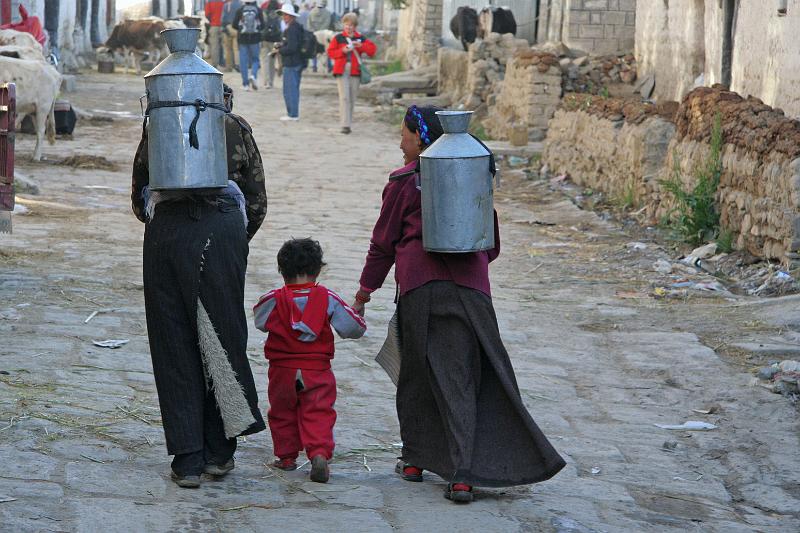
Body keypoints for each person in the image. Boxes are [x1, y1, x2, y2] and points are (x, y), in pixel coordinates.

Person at [352, 105, 566, 503]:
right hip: (471, 291)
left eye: (404, 134)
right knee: (468, 376)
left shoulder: (402, 183)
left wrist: (364, 292)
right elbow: (491, 242)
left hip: (419, 290)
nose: (400, 140)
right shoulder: (472, 177)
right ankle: (457, 468)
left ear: (421, 139)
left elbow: (383, 244)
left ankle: (428, 463)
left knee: (417, 373)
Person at [131, 84, 268, 488]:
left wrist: (169, 224)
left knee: (173, 341)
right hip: (223, 233)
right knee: (223, 337)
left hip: (167, 234)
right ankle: (219, 453)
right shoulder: (237, 127)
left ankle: (187, 460)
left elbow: (140, 197)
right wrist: (230, 238)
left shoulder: (157, 125)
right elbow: (257, 202)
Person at [253, 238, 366, 483]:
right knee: (318, 412)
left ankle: (286, 457)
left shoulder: (272, 298)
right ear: (318, 269)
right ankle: (319, 453)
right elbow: (353, 329)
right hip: (317, 370)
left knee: (282, 412)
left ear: (282, 270)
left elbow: (260, 321)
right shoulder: (328, 298)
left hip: (282, 370)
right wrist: (358, 313)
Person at [327, 12, 376, 134]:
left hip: (355, 71)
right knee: (344, 97)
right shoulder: (338, 38)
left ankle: (348, 122)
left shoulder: (360, 38)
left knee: (352, 98)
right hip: (341, 70)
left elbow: (372, 51)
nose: (349, 27)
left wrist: (361, 46)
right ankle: (345, 125)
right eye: (347, 25)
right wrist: (342, 50)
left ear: (355, 26)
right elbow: (330, 52)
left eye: (351, 25)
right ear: (343, 25)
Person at [275, 3, 304, 121]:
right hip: (297, 62)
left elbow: (292, 47)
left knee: (290, 90)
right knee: (293, 89)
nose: (284, 17)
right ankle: (293, 113)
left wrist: (280, 50)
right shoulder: (296, 27)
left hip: (292, 63)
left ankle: (292, 114)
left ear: (291, 16)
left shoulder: (291, 29)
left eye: (285, 15)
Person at [233, 0, 264, 91]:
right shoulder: (258, 10)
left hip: (242, 39)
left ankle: (245, 84)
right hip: (255, 39)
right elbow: (263, 25)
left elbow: (234, 25)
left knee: (243, 62)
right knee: (255, 59)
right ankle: (253, 75)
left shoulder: (240, 10)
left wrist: (241, 28)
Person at [259, 0, 283, 88]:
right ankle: (271, 82)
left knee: (265, 61)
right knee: (272, 62)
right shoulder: (280, 14)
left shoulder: (264, 12)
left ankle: (266, 81)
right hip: (275, 40)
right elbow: (282, 27)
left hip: (264, 39)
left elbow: (261, 25)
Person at [307, 0, 332, 73]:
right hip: (324, 35)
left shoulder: (311, 12)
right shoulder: (327, 13)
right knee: (328, 50)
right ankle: (329, 66)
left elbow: (309, 25)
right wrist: (321, 31)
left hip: (314, 34)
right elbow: (327, 23)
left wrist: (314, 31)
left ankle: (314, 66)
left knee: (314, 51)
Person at [221, 0, 242, 72]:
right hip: (237, 28)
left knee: (228, 49)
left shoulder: (227, 5)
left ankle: (228, 67)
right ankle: (238, 65)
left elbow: (223, 18)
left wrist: (224, 27)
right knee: (236, 49)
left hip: (228, 27)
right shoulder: (241, 4)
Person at [205, 0, 225, 67]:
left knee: (214, 46)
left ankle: (215, 64)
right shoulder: (224, 2)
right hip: (224, 26)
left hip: (214, 26)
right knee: (224, 45)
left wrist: (212, 20)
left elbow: (207, 14)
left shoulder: (210, 2)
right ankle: (223, 62)